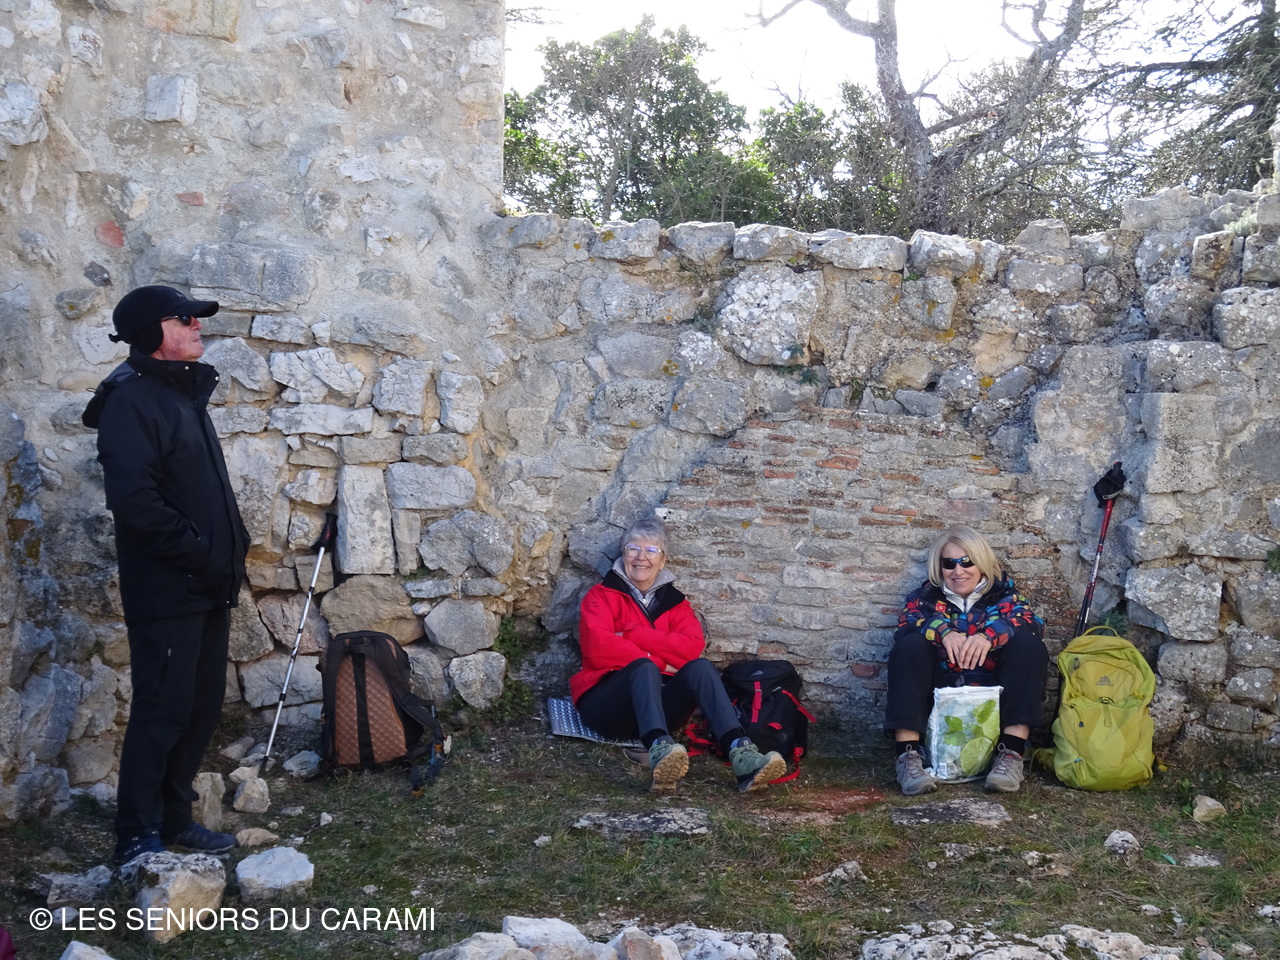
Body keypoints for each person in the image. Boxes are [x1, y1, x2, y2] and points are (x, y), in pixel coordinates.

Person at [82, 285, 250, 864]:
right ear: (153, 332)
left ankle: (175, 819)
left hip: (206, 583)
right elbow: (136, 504)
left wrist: (227, 554)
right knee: (163, 710)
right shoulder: (132, 401)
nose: (197, 326)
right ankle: (137, 832)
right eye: (184, 319)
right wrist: (202, 552)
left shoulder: (180, 392)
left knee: (199, 709)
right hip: (168, 587)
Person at [571, 517, 787, 793]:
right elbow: (599, 648)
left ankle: (742, 753)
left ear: (663, 561)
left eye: (651, 550)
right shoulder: (600, 596)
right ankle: (660, 750)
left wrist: (633, 634)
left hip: (660, 710)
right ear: (623, 554)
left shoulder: (676, 604)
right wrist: (660, 663)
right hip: (608, 709)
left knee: (701, 668)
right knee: (643, 668)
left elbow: (690, 648)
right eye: (633, 548)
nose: (641, 557)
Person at [884, 525, 1047, 796]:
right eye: (949, 563)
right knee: (908, 646)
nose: (958, 571)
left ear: (981, 562)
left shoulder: (1006, 597)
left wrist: (989, 636)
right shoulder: (924, 599)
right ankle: (908, 756)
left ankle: (1011, 753)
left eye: (967, 561)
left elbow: (1032, 624)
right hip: (940, 695)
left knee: (1029, 646)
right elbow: (905, 625)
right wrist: (942, 631)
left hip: (992, 695)